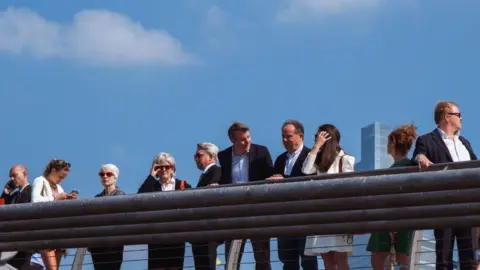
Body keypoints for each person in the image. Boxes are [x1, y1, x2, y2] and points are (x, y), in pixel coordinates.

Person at [412, 101, 477, 270]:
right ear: (447, 117)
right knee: (444, 258)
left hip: (467, 206)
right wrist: (420, 157)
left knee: (469, 259)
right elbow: (416, 159)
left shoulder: (465, 142)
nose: (461, 118)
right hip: (444, 206)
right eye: (458, 114)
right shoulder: (426, 140)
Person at [218, 121, 274, 270]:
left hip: (257, 211)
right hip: (233, 213)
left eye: (249, 137)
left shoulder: (261, 152)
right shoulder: (223, 156)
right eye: (243, 139)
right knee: (232, 258)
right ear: (233, 140)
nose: (248, 141)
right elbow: (222, 180)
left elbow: (270, 175)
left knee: (262, 257)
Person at [302, 124, 354, 270]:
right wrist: (316, 147)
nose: (316, 140)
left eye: (319, 137)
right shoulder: (319, 161)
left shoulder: (346, 159)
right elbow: (306, 169)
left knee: (340, 258)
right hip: (320, 216)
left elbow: (350, 187)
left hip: (338, 215)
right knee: (327, 261)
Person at [267, 120, 318, 270]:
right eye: (283, 136)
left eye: (288, 136)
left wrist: (284, 180)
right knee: (287, 259)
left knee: (308, 258)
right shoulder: (280, 159)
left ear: (300, 136)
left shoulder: (311, 155)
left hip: (305, 216)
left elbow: (309, 180)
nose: (284, 140)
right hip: (284, 216)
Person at [367, 124, 417, 270]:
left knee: (378, 259)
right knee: (403, 260)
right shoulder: (411, 165)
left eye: (388, 142)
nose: (386, 146)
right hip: (404, 219)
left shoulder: (398, 169)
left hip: (389, 219)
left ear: (393, 143)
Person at [138, 152, 192, 270]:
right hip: (156, 238)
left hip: (176, 237)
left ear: (173, 168)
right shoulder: (152, 186)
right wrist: (151, 176)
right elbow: (139, 199)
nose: (163, 170)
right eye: (159, 167)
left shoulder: (183, 185)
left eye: (167, 167)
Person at [31, 158, 77, 270]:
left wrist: (67, 200)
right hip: (45, 231)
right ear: (53, 170)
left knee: (55, 268)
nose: (61, 180)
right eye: (60, 177)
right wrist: (55, 197)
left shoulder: (59, 187)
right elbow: (35, 201)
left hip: (58, 231)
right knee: (52, 268)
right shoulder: (40, 181)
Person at [2, 165, 39, 269]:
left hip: (25, 244)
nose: (11, 179)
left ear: (24, 174)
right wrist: (5, 194)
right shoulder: (13, 196)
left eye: (14, 175)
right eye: (10, 177)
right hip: (11, 245)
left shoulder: (33, 191)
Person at [88, 164, 125, 270]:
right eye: (102, 174)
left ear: (115, 177)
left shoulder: (120, 195)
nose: (105, 176)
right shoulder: (97, 198)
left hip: (113, 244)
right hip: (97, 245)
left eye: (109, 174)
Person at [192, 143, 222, 270]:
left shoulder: (216, 171)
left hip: (209, 227)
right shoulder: (205, 174)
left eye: (199, 155)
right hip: (201, 229)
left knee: (207, 263)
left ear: (211, 156)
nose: (196, 159)